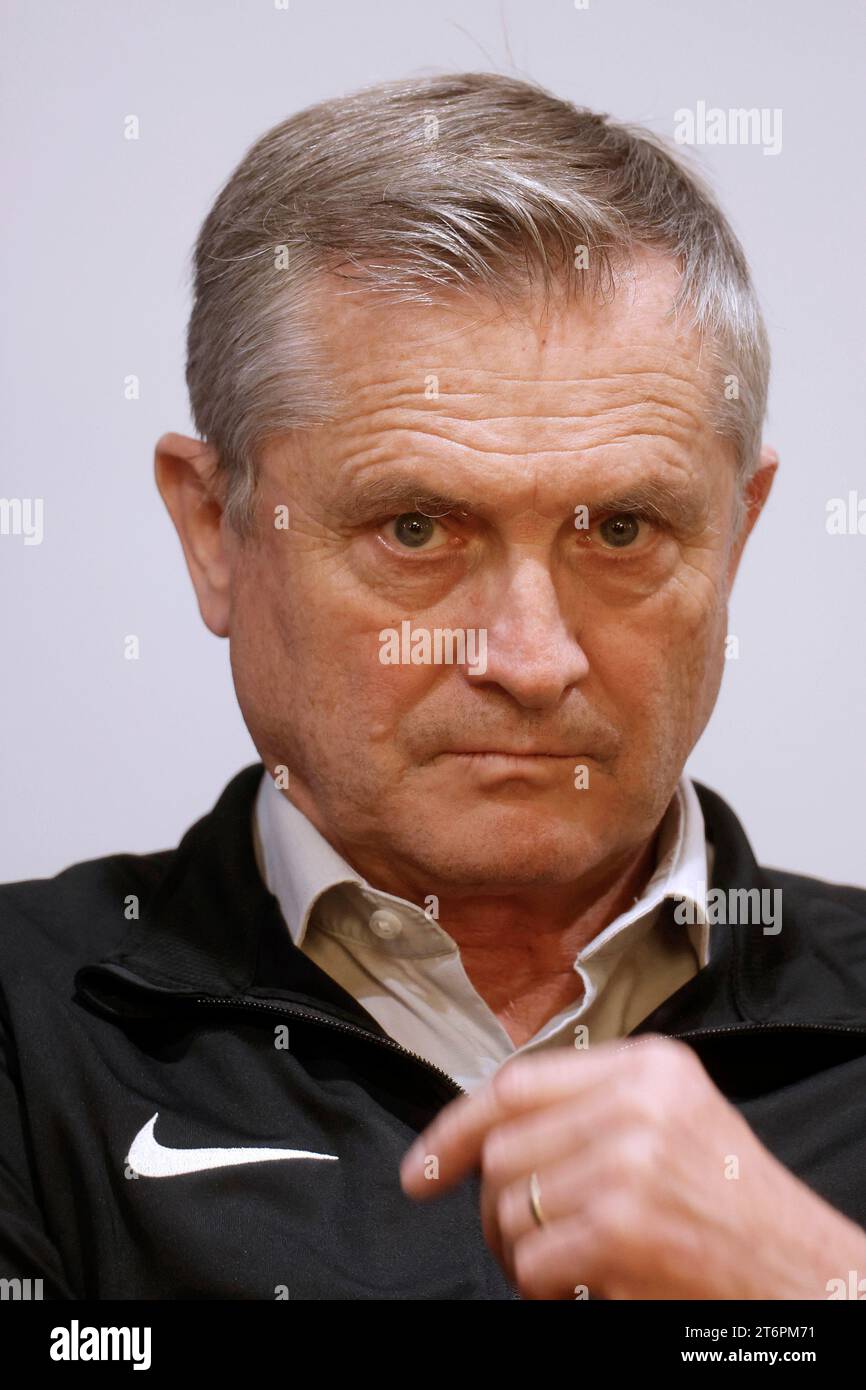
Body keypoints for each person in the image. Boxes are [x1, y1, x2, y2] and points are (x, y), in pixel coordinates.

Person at [2, 72, 864, 1301]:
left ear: (736, 533)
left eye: (619, 529)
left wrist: (815, 1289)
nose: (529, 659)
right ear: (214, 532)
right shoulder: (27, 1032)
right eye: (415, 528)